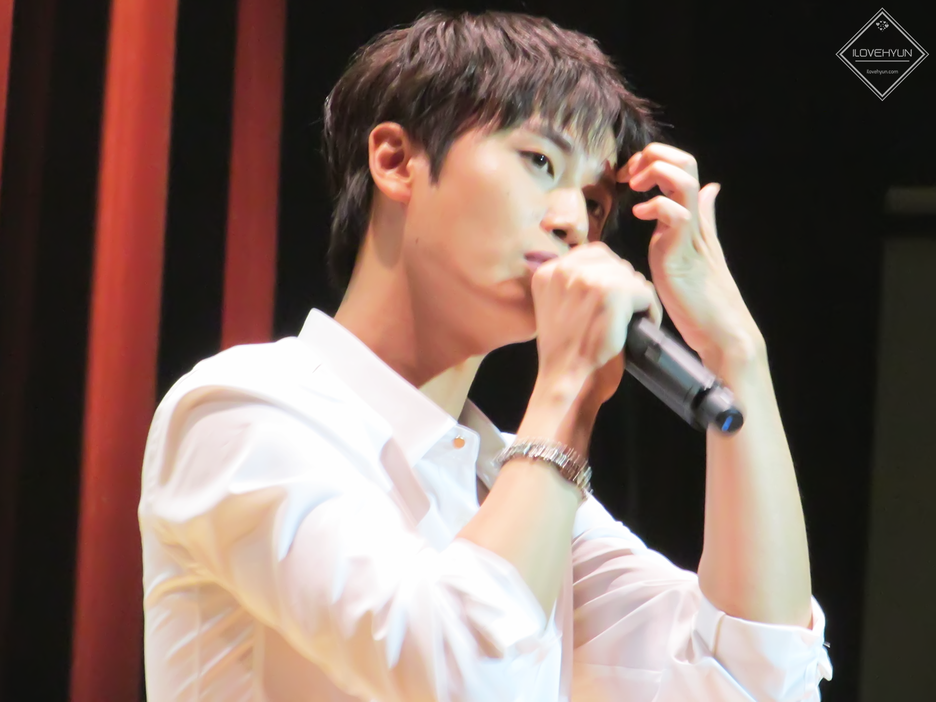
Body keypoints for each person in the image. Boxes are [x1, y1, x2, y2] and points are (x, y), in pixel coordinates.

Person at [138, 9, 832, 701]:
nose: (572, 222)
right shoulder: (242, 410)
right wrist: (568, 388)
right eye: (540, 162)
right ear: (396, 161)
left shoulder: (509, 480)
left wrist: (737, 354)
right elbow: (465, 678)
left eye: (595, 204)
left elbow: (753, 678)